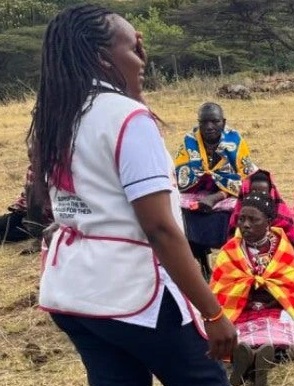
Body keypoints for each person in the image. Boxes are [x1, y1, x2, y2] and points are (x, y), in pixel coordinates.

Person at [27, 4, 237, 386]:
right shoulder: (127, 118)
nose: (143, 60)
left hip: (73, 290)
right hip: (132, 293)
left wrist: (133, 88)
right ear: (103, 59)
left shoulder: (57, 113)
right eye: (133, 49)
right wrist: (212, 313)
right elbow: (159, 228)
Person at [210, 192, 294, 386]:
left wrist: (274, 294)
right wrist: (244, 290)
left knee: (285, 332)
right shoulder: (229, 250)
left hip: (275, 308)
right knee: (227, 335)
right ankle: (254, 363)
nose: (246, 224)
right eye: (242, 219)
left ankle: (252, 364)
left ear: (269, 222)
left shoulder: (284, 248)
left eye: (253, 219)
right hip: (241, 309)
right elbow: (221, 289)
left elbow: (289, 284)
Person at [175, 102, 257, 279]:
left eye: (215, 121)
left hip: (228, 192)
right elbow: (181, 173)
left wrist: (217, 196)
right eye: (204, 122)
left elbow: (245, 176)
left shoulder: (235, 140)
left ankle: (236, 269)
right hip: (197, 189)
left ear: (224, 122)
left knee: (238, 212)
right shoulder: (189, 140)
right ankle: (204, 264)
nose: (209, 127)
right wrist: (206, 178)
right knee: (182, 212)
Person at [229, 169, 294, 244]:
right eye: (254, 192)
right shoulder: (238, 216)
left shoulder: (282, 218)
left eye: (264, 192)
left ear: (271, 192)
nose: (258, 196)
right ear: (246, 191)